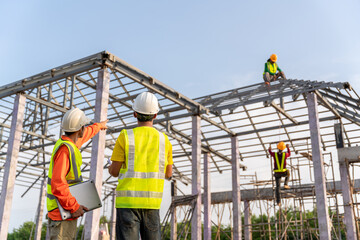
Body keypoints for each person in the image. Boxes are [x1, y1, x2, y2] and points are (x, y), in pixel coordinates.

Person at [108, 91, 173, 240]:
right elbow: (168, 174)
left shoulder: (125, 136)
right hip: (152, 203)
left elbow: (115, 171)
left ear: (135, 113)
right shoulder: (164, 140)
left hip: (127, 203)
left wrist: (110, 168)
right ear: (155, 115)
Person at [46, 108, 108, 239]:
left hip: (64, 211)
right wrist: (74, 207)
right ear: (80, 129)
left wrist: (99, 126)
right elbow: (57, 184)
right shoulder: (65, 150)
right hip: (61, 213)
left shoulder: (69, 144)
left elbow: (86, 134)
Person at [268, 141, 291, 206]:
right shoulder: (285, 154)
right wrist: (288, 148)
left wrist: (269, 149)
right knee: (288, 173)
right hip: (283, 172)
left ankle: (278, 202)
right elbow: (289, 153)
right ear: (283, 149)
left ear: (278, 148)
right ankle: (286, 184)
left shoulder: (275, 154)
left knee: (278, 187)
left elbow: (270, 152)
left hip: (277, 173)